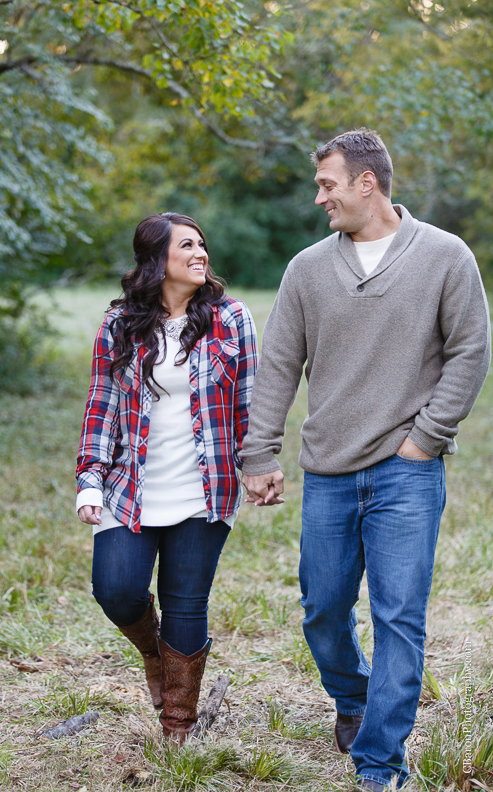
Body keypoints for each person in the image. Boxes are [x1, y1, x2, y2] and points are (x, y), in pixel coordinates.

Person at [241, 130, 491, 790]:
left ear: (366, 183)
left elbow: (470, 351)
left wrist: (425, 439)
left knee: (398, 616)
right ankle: (355, 697)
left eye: (327, 183)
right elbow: (278, 370)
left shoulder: (444, 257)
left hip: (406, 472)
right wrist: (259, 453)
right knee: (323, 611)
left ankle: (379, 764)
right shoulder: (307, 269)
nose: (318, 196)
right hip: (327, 471)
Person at [76, 212, 258, 743]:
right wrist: (90, 477)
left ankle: (177, 724)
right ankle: (158, 656)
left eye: (203, 244)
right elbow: (101, 406)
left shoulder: (231, 318)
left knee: (186, 601)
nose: (200, 253)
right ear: (157, 260)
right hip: (128, 485)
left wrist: (258, 466)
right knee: (116, 589)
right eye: (187, 245)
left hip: (206, 487)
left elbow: (249, 401)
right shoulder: (119, 325)